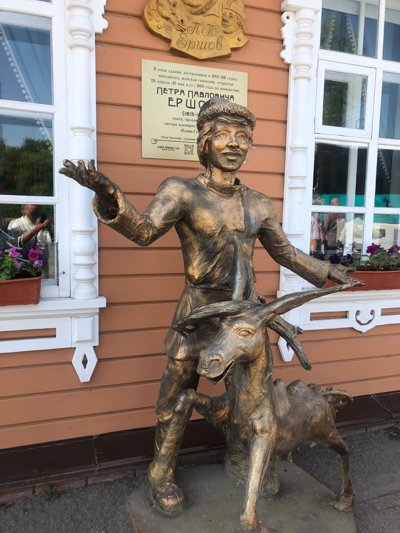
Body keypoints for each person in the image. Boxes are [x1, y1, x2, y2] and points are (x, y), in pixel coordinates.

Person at [59, 98, 357, 515]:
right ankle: (161, 473)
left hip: (243, 317)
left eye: (243, 137)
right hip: (197, 314)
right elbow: (143, 230)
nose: (234, 144)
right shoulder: (182, 191)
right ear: (205, 141)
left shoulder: (259, 203)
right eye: (224, 134)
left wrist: (329, 270)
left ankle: (242, 458)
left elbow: (286, 254)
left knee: (249, 397)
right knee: (175, 396)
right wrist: (109, 195)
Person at [7, 205, 53, 278]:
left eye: (38, 213)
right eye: (32, 213)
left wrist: (49, 228)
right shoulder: (17, 224)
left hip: (42, 263)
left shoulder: (41, 222)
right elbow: (17, 242)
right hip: (26, 263)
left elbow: (53, 241)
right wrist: (35, 229)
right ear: (23, 211)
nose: (36, 216)